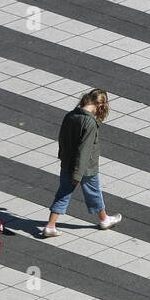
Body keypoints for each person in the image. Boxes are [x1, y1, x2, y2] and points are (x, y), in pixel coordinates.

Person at [41, 89, 121, 238]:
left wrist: (63, 156)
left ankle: (51, 226)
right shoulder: (90, 122)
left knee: (63, 194)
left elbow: (62, 138)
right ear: (99, 105)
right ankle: (104, 220)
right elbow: (84, 151)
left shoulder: (70, 115)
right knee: (94, 192)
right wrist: (78, 173)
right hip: (86, 167)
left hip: (67, 163)